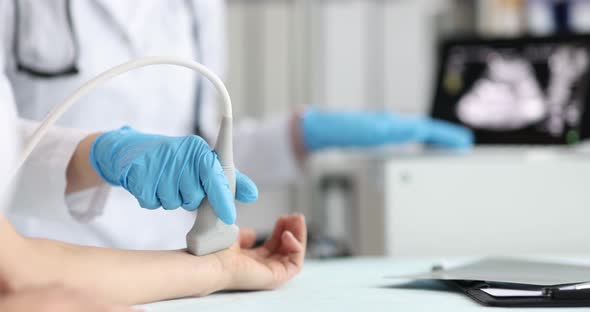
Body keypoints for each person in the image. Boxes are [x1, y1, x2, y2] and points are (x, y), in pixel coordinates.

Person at [2, 0, 474, 250]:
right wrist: (103, 154)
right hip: (47, 257)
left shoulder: (195, 6)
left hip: (172, 260)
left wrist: (302, 134)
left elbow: (204, 148)